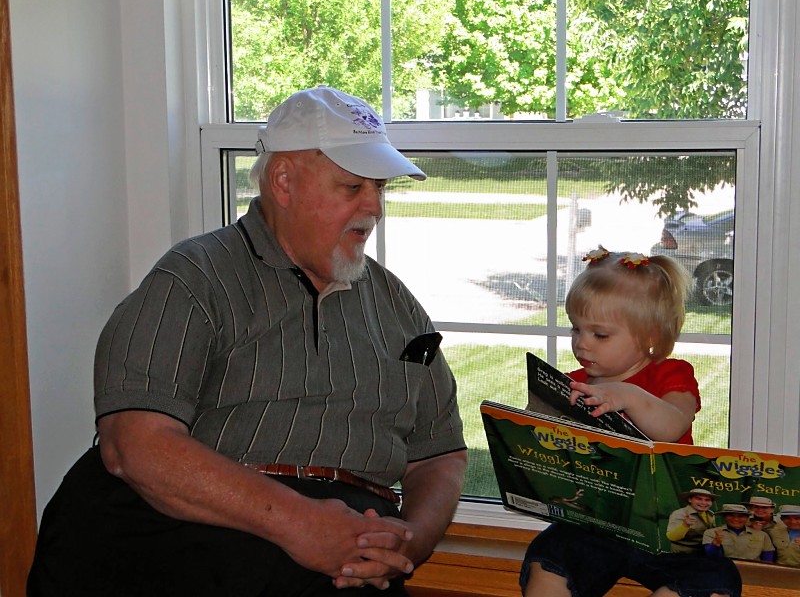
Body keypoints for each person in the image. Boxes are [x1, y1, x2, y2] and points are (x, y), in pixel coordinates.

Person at [27, 85, 467, 596]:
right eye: (352, 188)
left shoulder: (396, 304)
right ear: (283, 180)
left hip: (346, 551)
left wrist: (404, 545)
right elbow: (135, 447)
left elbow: (440, 455)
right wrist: (302, 525)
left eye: (380, 189)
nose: (375, 206)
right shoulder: (194, 279)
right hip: (199, 536)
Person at [520, 247, 742, 597]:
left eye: (600, 335)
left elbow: (671, 425)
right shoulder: (571, 384)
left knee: (717, 579)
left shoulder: (671, 375)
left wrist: (628, 396)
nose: (582, 343)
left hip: (669, 532)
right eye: (576, 329)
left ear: (650, 335)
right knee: (547, 558)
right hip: (594, 527)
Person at [703, 504, 776, 562]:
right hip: (722, 572)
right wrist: (715, 544)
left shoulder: (762, 535)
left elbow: (767, 560)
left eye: (741, 516)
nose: (736, 519)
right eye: (731, 515)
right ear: (724, 517)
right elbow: (710, 556)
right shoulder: (711, 533)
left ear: (747, 518)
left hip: (753, 573)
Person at [666, 488, 719, 553]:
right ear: (690, 500)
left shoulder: (710, 514)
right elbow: (672, 537)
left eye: (707, 500)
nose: (703, 503)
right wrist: (685, 525)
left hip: (702, 553)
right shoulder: (679, 514)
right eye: (699, 499)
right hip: (682, 554)